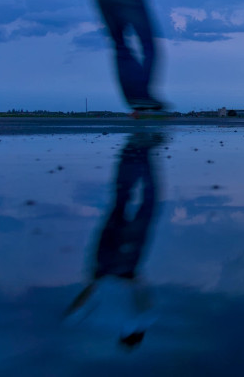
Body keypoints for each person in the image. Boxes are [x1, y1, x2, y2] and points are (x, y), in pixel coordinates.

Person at [63, 133, 164, 348]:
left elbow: (141, 290)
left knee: (148, 205)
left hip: (126, 265)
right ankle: (131, 153)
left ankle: (142, 151)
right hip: (101, 266)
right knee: (119, 203)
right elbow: (76, 311)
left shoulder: (143, 321)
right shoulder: (108, 320)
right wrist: (92, 285)